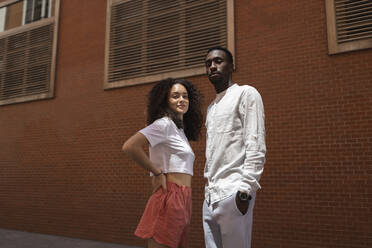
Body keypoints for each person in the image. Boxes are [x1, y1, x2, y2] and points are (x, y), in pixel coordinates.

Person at [122, 78, 203, 248]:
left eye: (185, 96)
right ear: (165, 101)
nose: (181, 100)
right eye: (175, 96)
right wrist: (157, 172)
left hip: (184, 196)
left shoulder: (179, 130)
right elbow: (130, 146)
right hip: (170, 195)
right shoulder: (163, 124)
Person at [202, 47, 266, 248]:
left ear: (231, 66)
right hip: (210, 196)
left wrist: (246, 189)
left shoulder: (245, 93)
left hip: (234, 193)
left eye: (218, 61)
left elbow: (255, 142)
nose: (212, 66)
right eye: (208, 63)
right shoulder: (211, 108)